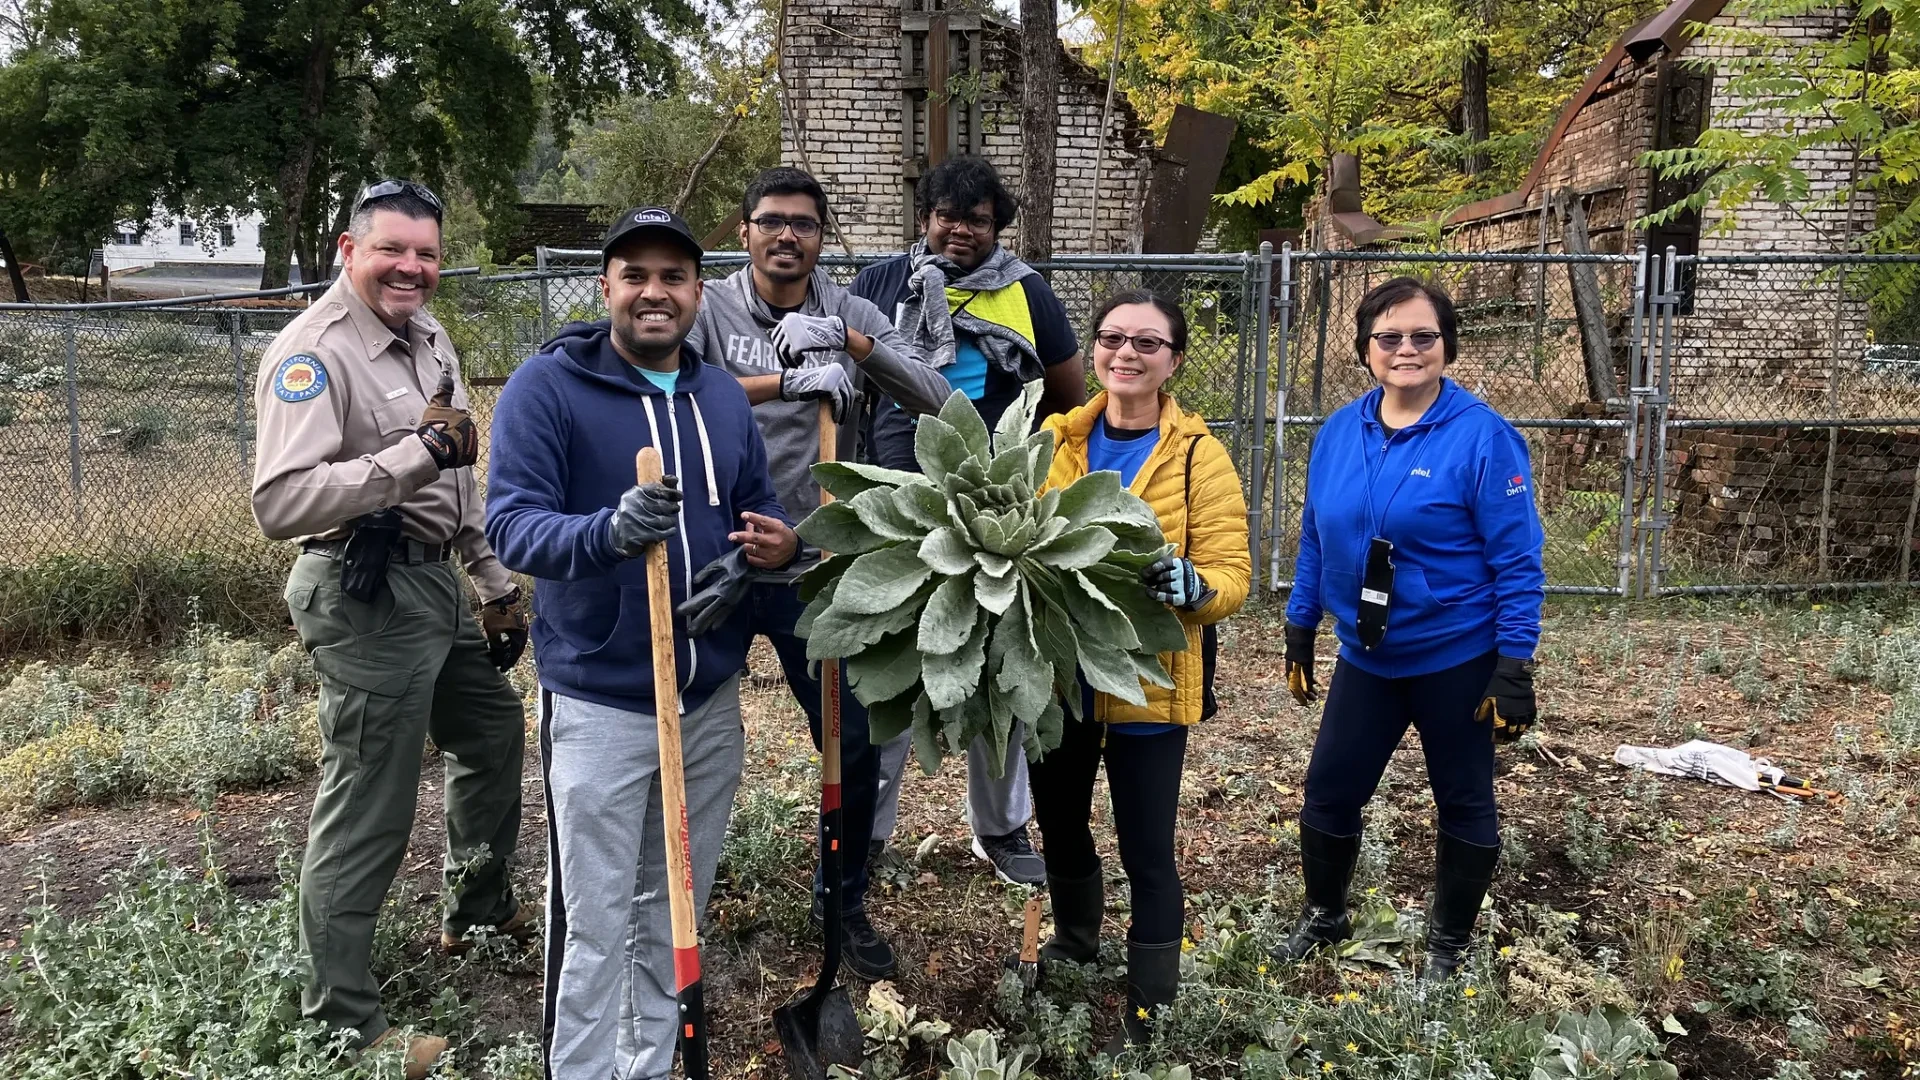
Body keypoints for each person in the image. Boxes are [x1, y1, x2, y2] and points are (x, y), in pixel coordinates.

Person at [484, 207, 798, 1079]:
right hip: (600, 699)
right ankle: (580, 1069)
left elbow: (756, 509)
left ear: (700, 292)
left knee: (675, 903)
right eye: (636, 276)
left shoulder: (723, 396)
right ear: (607, 287)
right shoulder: (546, 390)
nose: (654, 293)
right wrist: (608, 533)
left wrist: (764, 556)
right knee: (594, 912)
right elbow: (511, 526)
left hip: (705, 700)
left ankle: (651, 1063)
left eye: (673, 277)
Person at [250, 179, 530, 1080]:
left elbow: (456, 477)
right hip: (362, 589)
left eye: (427, 254)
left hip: (433, 584)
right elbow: (282, 500)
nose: (412, 267)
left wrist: (491, 582)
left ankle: (475, 913)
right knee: (370, 798)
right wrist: (412, 454)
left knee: (492, 731)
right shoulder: (314, 352)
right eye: (393, 250)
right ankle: (341, 1024)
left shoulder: (428, 335)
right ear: (348, 249)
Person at [686, 167, 950, 980]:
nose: (786, 235)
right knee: (690, 736)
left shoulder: (848, 308)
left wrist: (853, 347)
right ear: (744, 232)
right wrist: (785, 379)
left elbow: (940, 395)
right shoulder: (707, 308)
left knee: (853, 740)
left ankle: (844, 897)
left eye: (803, 223)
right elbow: (668, 388)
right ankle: (674, 896)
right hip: (718, 559)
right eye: (771, 221)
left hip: (820, 569)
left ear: (822, 237)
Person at [1278, 276, 1544, 981]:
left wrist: (1514, 666)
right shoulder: (1339, 431)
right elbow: (1316, 535)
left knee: (1463, 798)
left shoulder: (1485, 440)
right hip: (1366, 657)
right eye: (1389, 337)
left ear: (1446, 345)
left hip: (1454, 657)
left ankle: (1447, 946)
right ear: (1365, 349)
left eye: (1423, 336)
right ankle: (1325, 915)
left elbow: (1518, 562)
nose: (1406, 350)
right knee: (1329, 791)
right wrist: (1300, 625)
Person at [850, 154, 1088, 887]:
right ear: (925, 218)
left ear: (996, 229)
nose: (961, 231)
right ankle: (868, 830)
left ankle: (1001, 828)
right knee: (885, 670)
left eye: (977, 220)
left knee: (1002, 668)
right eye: (948, 215)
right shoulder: (880, 283)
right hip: (897, 500)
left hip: (992, 506)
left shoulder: (1026, 291)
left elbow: (1068, 391)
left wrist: (1023, 471)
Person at [1030, 289, 1249, 1053]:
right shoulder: (1055, 443)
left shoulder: (1199, 454)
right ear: (1094, 352)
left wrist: (1195, 586)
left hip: (1149, 681)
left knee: (1146, 846)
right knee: (1058, 822)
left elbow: (1233, 574)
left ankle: (1149, 1000)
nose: (1126, 353)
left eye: (1147, 344)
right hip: (1060, 677)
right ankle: (1076, 940)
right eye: (1112, 339)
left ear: (1174, 360)